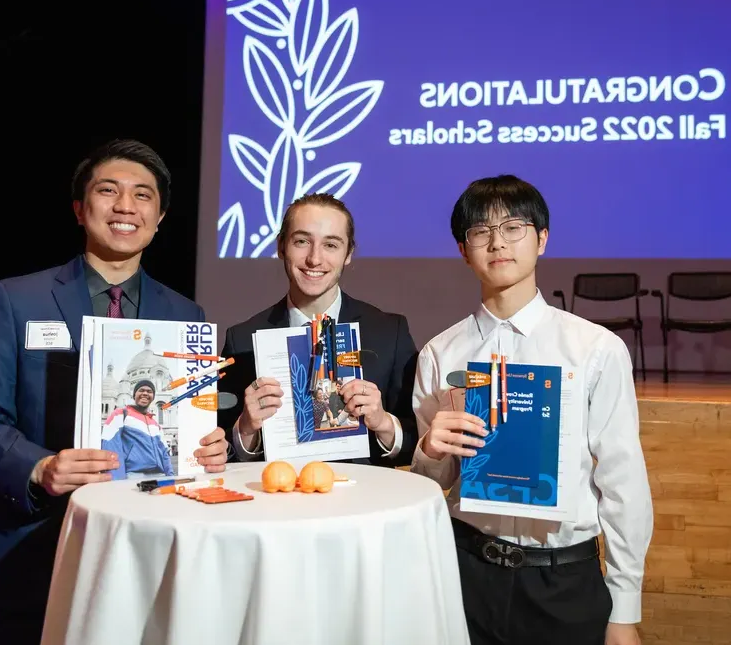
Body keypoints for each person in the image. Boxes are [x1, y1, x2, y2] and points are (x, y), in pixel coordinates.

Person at [0, 139, 229, 645]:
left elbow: (187, 423)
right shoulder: (15, 299)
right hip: (34, 546)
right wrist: (39, 467)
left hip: (148, 547)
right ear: (80, 209)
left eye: (143, 195)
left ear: (160, 217)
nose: (126, 206)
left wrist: (206, 445)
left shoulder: (186, 316)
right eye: (108, 191)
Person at [410, 175, 653, 645]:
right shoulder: (440, 354)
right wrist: (429, 449)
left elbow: (623, 482)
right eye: (481, 232)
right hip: (465, 575)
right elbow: (430, 484)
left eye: (513, 227)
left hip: (562, 581)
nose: (497, 242)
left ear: (542, 239)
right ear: (464, 250)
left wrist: (624, 608)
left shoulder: (595, 349)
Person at [219, 193, 419, 466]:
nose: (315, 259)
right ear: (281, 247)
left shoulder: (389, 332)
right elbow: (221, 450)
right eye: (302, 242)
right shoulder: (242, 339)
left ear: (348, 254)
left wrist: (383, 423)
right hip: (276, 500)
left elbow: (417, 440)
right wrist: (246, 429)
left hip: (366, 502)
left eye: (331, 245)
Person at [102, 378, 175, 479]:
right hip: (134, 475)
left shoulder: (156, 425)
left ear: (153, 397)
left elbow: (164, 454)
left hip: (159, 476)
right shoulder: (120, 414)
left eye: (149, 391)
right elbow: (111, 448)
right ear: (134, 395)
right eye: (141, 390)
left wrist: (170, 477)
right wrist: (117, 481)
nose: (145, 393)